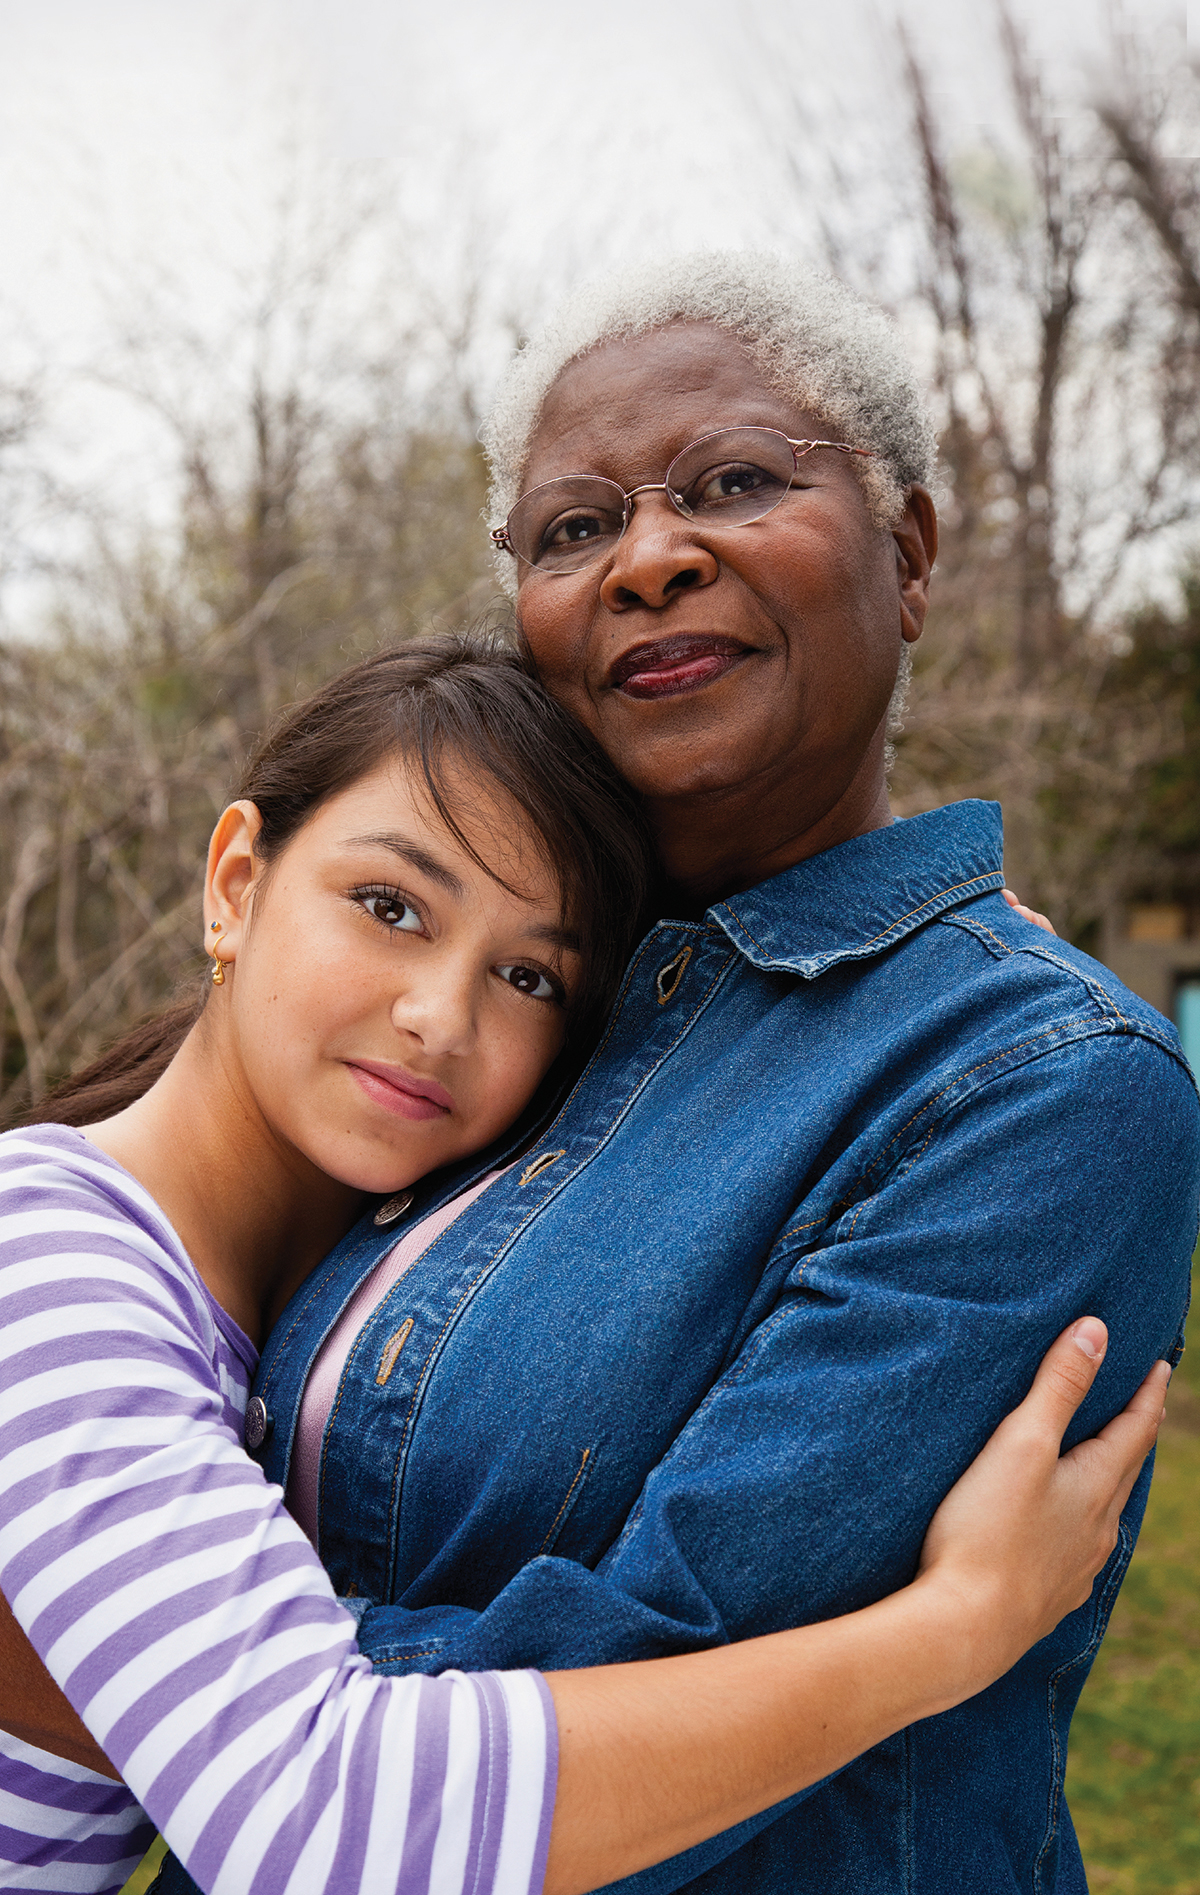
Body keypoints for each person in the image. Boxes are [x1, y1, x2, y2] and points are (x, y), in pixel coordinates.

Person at [184, 254, 1193, 1895]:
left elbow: (666, 1671)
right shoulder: (516, 1022)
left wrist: (140, 1661)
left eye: (735, 484)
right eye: (576, 527)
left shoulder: (1037, 1084)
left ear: (912, 554)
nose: (652, 556)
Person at [0, 637, 1165, 1895]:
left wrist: (923, 989)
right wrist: (950, 1632)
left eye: (527, 974)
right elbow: (319, 1815)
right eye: (390, 905)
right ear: (235, 881)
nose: (441, 1015)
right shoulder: (53, 1256)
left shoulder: (304, 1293)